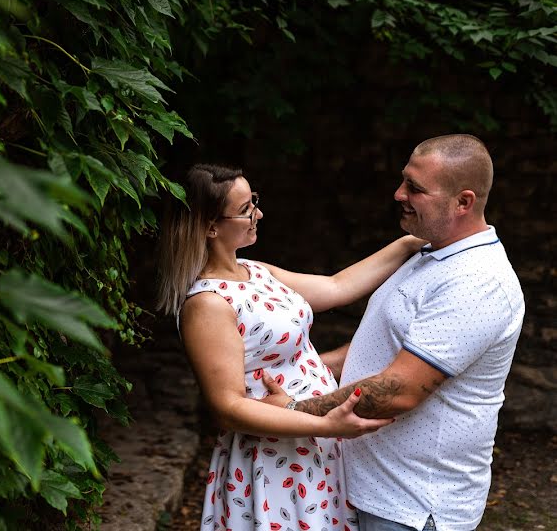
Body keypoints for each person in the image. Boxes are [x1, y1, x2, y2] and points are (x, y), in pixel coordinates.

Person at [262, 134, 525, 531]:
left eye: (415, 188)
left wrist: (294, 412)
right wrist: (296, 373)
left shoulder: (477, 281)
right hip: (371, 489)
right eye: (404, 180)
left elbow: (399, 389)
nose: (398, 193)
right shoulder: (431, 253)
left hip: (412, 506)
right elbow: (378, 348)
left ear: (463, 202)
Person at [156, 163, 425, 531]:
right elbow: (228, 407)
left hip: (313, 443)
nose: (258, 214)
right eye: (245, 209)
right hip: (273, 455)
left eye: (254, 201)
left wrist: (411, 242)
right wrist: (328, 425)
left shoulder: (256, 272)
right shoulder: (207, 304)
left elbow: (336, 287)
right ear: (210, 227)